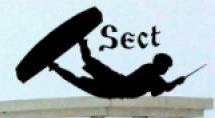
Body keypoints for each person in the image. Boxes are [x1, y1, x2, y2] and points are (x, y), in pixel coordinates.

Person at [49, 39, 187, 98]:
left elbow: (158, 91)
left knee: (80, 76)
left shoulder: (151, 73)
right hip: (115, 86)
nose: (166, 70)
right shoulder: (151, 73)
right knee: (82, 73)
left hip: (114, 84)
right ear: (160, 64)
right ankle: (78, 46)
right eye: (166, 67)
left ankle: (56, 66)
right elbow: (161, 90)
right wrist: (176, 82)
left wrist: (175, 82)